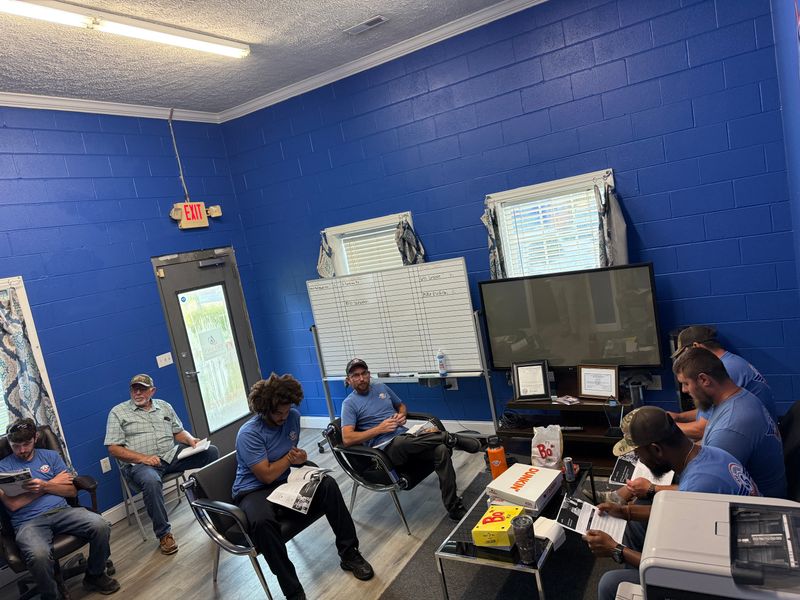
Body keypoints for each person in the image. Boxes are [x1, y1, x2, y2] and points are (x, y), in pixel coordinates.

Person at [583, 406, 760, 600]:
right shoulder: (712, 454)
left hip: (736, 582)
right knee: (637, 523)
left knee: (610, 584)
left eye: (638, 454)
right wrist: (625, 511)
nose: (639, 459)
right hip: (741, 549)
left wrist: (616, 549)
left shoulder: (697, 488)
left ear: (656, 450)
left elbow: (678, 572)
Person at [232, 373, 373, 600]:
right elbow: (266, 475)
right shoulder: (249, 433)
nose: (284, 417)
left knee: (328, 485)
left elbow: (290, 454)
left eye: (287, 410)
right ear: (264, 409)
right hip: (253, 489)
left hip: (285, 481)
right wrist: (289, 460)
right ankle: (293, 591)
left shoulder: (292, 417)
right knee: (262, 523)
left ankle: (350, 553)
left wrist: (300, 457)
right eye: (278, 413)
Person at [340, 358, 483, 520]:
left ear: (369, 374)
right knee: (402, 442)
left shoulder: (380, 387)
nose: (361, 378)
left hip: (407, 438)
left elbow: (401, 406)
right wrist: (379, 429)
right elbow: (347, 438)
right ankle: (450, 438)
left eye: (364, 373)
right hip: (386, 451)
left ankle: (453, 506)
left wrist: (401, 415)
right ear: (349, 380)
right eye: (356, 375)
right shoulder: (349, 404)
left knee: (440, 450)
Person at [0, 419, 120, 599]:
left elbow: (71, 491)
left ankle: (95, 575)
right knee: (38, 555)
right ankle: (51, 596)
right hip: (28, 522)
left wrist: (44, 486)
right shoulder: (3, 468)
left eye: (26, 444)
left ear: (36, 437)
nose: (22, 450)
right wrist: (50, 486)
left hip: (62, 512)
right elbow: (12, 504)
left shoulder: (51, 457)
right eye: (16, 445)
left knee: (101, 525)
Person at [105, 374, 219, 555]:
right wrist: (143, 458)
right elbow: (113, 449)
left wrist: (190, 440)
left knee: (211, 452)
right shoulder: (118, 413)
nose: (137, 392)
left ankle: (215, 508)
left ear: (152, 391)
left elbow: (178, 432)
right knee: (151, 481)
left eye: (142, 389)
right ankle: (164, 534)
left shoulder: (164, 406)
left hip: (170, 456)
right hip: (141, 465)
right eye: (134, 389)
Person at [673, 348, 786, 498]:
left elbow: (705, 486)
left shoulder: (730, 427)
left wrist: (652, 488)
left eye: (686, 383)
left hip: (762, 508)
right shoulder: (740, 397)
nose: (684, 390)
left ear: (704, 380)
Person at [668, 325, 775, 439]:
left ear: (696, 346)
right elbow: (713, 412)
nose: (684, 358)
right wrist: (680, 417)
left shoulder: (726, 369)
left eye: (684, 353)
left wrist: (664, 427)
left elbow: (702, 429)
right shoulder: (729, 362)